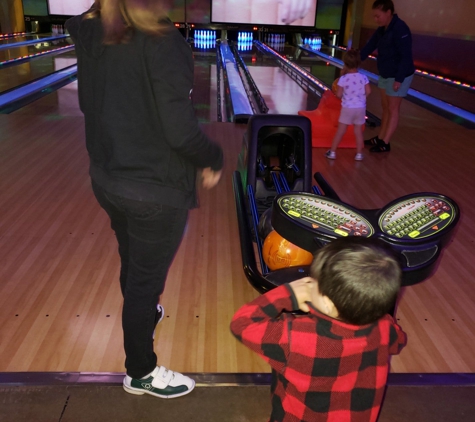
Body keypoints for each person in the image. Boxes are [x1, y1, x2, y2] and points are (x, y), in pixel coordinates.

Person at [66, 0, 223, 399]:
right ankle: (141, 372)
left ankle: (144, 313)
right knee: (144, 282)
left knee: (133, 259)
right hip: (153, 189)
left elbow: (90, 103)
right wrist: (213, 157)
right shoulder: (162, 41)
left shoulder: (91, 31)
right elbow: (180, 132)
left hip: (108, 178)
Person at [231, 237, 406, 422]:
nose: (307, 282)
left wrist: (288, 293)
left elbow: (241, 324)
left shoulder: (293, 336)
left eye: (313, 282)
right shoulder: (386, 328)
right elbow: (399, 342)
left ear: (327, 303)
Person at [360, 0, 415, 153]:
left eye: (378, 16)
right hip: (385, 72)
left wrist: (399, 79)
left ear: (388, 13)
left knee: (393, 108)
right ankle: (380, 137)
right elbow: (370, 45)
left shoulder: (400, 29)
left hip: (399, 74)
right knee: (385, 107)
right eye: (374, 16)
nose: (375, 19)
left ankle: (385, 142)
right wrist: (356, 60)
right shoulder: (382, 29)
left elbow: (406, 57)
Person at [325, 49, 371, 161]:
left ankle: (332, 152)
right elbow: (368, 91)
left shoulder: (343, 79)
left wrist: (337, 93)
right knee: (358, 131)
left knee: (341, 130)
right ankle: (359, 154)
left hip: (347, 108)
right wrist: (361, 99)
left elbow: (339, 95)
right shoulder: (363, 77)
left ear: (345, 64)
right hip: (360, 108)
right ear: (359, 63)